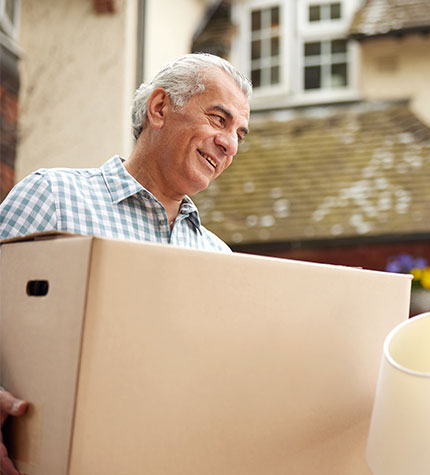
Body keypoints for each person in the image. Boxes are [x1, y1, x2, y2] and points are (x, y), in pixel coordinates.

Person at [0, 52, 252, 475]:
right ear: (159, 109)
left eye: (240, 134)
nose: (229, 143)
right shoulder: (54, 196)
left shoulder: (219, 258)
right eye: (218, 119)